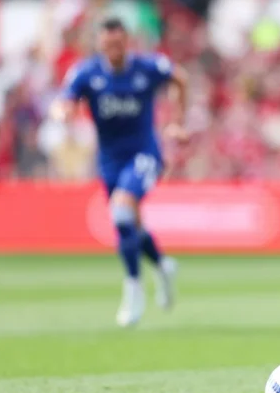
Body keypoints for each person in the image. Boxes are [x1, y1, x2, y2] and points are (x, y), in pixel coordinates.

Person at [51, 17, 188, 328]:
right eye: (108, 43)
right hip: (110, 161)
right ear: (100, 44)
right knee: (130, 223)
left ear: (127, 42)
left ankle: (133, 288)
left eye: (119, 43)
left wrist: (178, 121)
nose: (114, 48)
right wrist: (62, 112)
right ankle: (163, 265)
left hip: (145, 154)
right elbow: (64, 101)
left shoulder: (147, 68)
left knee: (122, 212)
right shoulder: (86, 73)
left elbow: (181, 78)